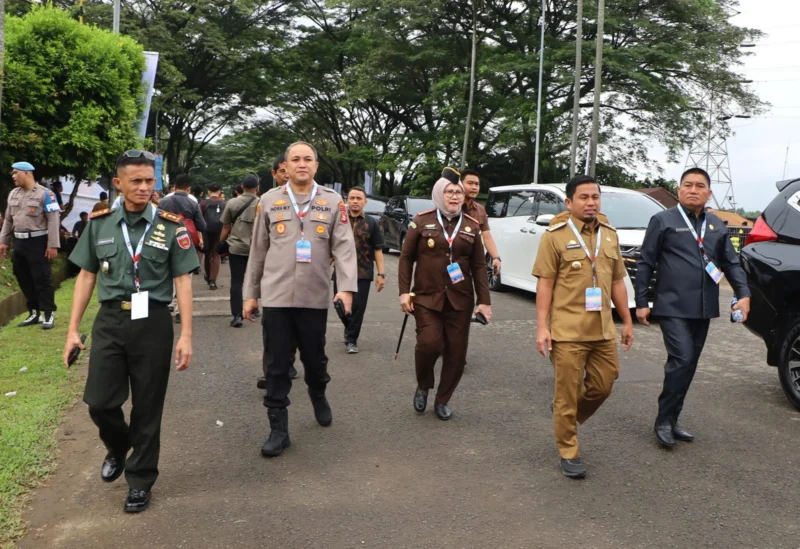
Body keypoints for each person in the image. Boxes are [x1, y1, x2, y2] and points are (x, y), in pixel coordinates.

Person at [63, 150, 199, 513]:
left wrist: (186, 334)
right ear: (118, 184)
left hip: (152, 323)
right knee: (99, 401)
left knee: (147, 407)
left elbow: (183, 282)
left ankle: (140, 481)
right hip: (109, 321)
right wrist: (72, 330)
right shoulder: (100, 223)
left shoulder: (171, 225)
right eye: (135, 181)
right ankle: (117, 445)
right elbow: (86, 276)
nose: (143, 188)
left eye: (149, 181)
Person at [243, 141, 357, 458]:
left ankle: (317, 390)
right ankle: (278, 429)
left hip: (314, 296)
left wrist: (346, 287)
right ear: (286, 167)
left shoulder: (334, 202)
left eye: (308, 159)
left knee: (314, 359)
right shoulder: (268, 200)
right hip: (277, 297)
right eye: (296, 159)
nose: (302, 164)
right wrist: (251, 294)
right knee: (276, 364)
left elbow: (345, 246)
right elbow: (258, 251)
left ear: (316, 166)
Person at [635, 167, 750, 449]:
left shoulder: (716, 225)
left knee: (689, 365)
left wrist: (743, 293)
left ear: (709, 193)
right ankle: (663, 421)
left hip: (704, 307)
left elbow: (732, 263)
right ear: (679, 190)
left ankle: (672, 419)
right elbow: (645, 262)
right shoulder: (662, 220)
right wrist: (641, 302)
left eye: (700, 186)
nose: (693, 190)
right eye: (688, 185)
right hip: (672, 305)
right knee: (682, 359)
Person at [532, 175, 634, 479]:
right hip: (567, 331)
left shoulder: (610, 234)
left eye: (595, 197)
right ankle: (568, 449)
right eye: (584, 197)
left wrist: (626, 320)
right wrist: (542, 326)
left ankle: (566, 417)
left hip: (602, 328)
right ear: (569, 202)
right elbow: (545, 284)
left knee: (604, 383)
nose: (591, 202)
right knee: (567, 391)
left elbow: (617, 281)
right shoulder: (554, 235)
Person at [398, 176, 492, 421]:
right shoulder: (421, 221)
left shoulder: (472, 225)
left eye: (458, 192)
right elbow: (406, 258)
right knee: (428, 344)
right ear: (440, 194)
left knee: (456, 354)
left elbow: (480, 266)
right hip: (426, 297)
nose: (454, 196)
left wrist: (484, 301)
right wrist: (404, 291)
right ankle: (423, 385)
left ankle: (442, 399)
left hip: (460, 300)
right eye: (449, 192)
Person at [0, 162, 61, 329]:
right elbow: (8, 220)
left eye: (15, 172)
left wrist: (53, 245)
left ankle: (48, 313)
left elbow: (53, 219)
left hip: (38, 242)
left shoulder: (46, 194)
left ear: (27, 173)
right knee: (23, 276)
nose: (12, 176)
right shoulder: (13, 194)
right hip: (19, 242)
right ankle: (34, 312)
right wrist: (3, 241)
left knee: (42, 278)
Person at [335, 186, 386, 353]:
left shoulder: (372, 223)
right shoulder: (339, 220)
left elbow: (378, 249)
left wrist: (381, 274)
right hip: (341, 271)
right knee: (339, 305)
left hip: (363, 272)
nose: (355, 201)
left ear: (365, 202)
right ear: (346, 200)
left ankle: (352, 340)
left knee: (358, 308)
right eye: (352, 198)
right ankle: (349, 327)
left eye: (358, 198)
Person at [159, 174, 205, 324]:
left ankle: (169, 303)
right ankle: (180, 311)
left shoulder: (164, 201)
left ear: (174, 186)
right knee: (185, 276)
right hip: (186, 242)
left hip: (165, 240)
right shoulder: (192, 202)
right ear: (188, 188)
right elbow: (202, 225)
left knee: (167, 273)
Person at [442, 167, 502, 275]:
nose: (474, 187)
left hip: (468, 263)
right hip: (446, 260)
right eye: (470, 183)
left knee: (466, 290)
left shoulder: (480, 210)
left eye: (477, 184)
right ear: (460, 184)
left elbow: (486, 235)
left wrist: (495, 257)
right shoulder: (450, 206)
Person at [220, 175, 259, 328]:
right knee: (255, 280)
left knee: (236, 282)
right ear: (257, 188)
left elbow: (225, 227)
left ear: (242, 187)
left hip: (236, 248)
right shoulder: (261, 204)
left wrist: (221, 243)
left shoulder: (232, 203)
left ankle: (237, 315)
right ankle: (254, 308)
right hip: (256, 249)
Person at [200, 183, 225, 290]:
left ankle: (208, 275)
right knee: (215, 254)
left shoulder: (203, 203)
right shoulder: (224, 204)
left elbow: (199, 219)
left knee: (207, 253)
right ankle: (213, 281)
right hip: (219, 231)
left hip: (206, 230)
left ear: (209, 191)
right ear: (219, 192)